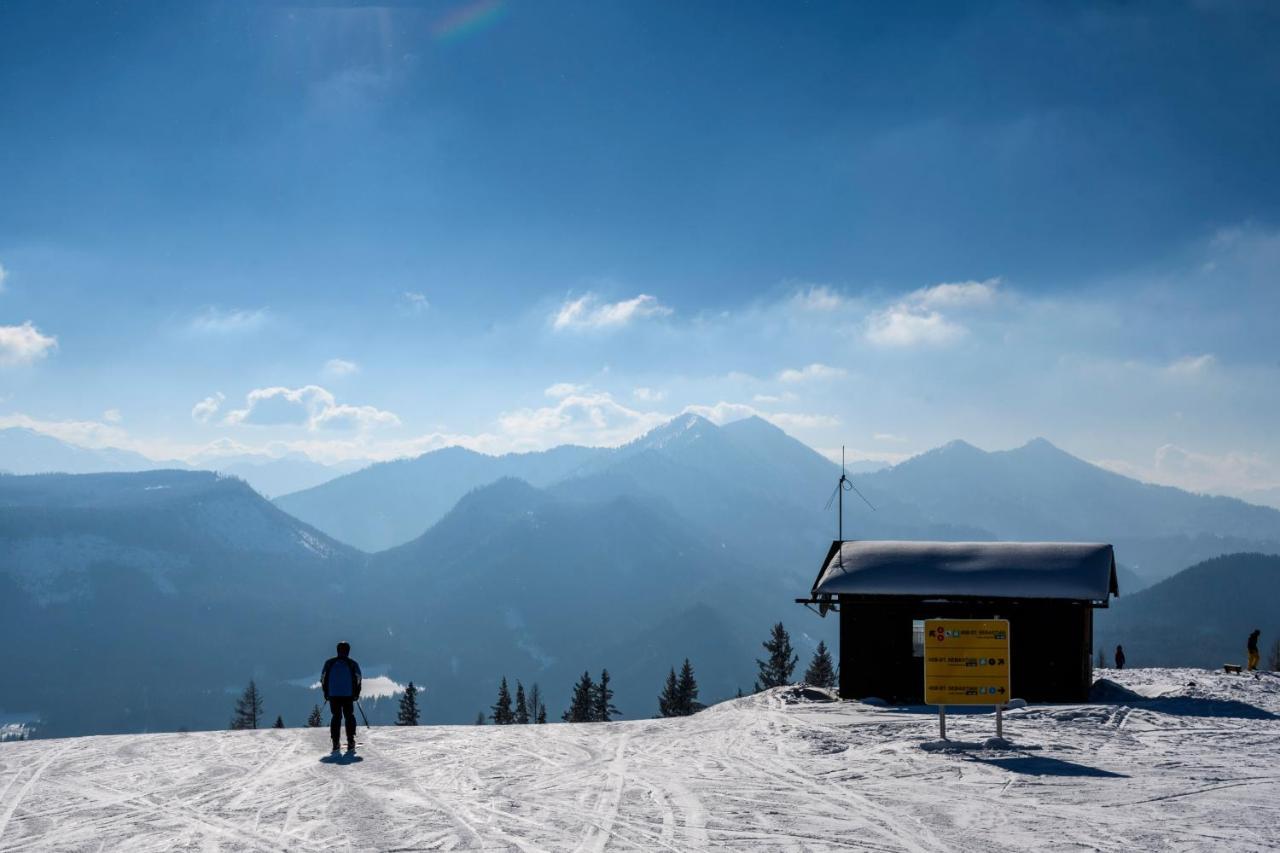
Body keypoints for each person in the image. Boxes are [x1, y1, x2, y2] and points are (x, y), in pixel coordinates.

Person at [321, 641, 362, 753]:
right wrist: (356, 693)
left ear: (337, 650)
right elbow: (358, 679)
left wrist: (326, 693)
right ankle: (350, 741)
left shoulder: (329, 663)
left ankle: (335, 743)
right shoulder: (353, 664)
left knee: (336, 716)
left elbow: (323, 679)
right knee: (349, 716)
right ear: (348, 651)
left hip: (333, 695)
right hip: (348, 695)